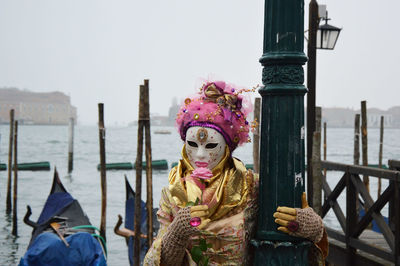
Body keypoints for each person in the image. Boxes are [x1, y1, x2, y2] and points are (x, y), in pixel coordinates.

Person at [144, 81, 328, 265]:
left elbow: (286, 243)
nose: (200, 154)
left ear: (226, 148)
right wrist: (178, 231)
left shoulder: (249, 188)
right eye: (192, 144)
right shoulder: (172, 194)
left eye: (211, 146)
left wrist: (311, 227)